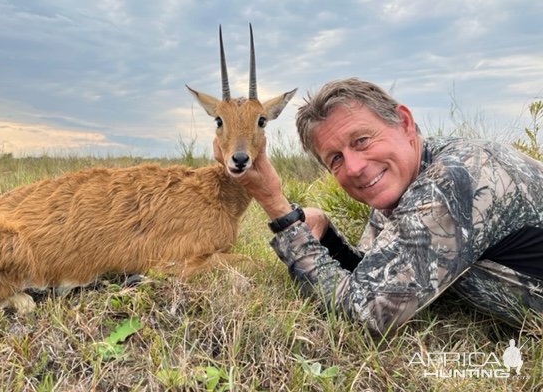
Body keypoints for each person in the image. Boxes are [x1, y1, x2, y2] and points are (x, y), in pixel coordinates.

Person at [216, 78, 543, 334]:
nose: (355, 167)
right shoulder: (400, 186)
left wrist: (277, 207)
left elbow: (369, 314)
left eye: (361, 140)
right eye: (336, 159)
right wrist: (326, 237)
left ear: (403, 122)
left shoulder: (456, 177)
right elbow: (377, 275)